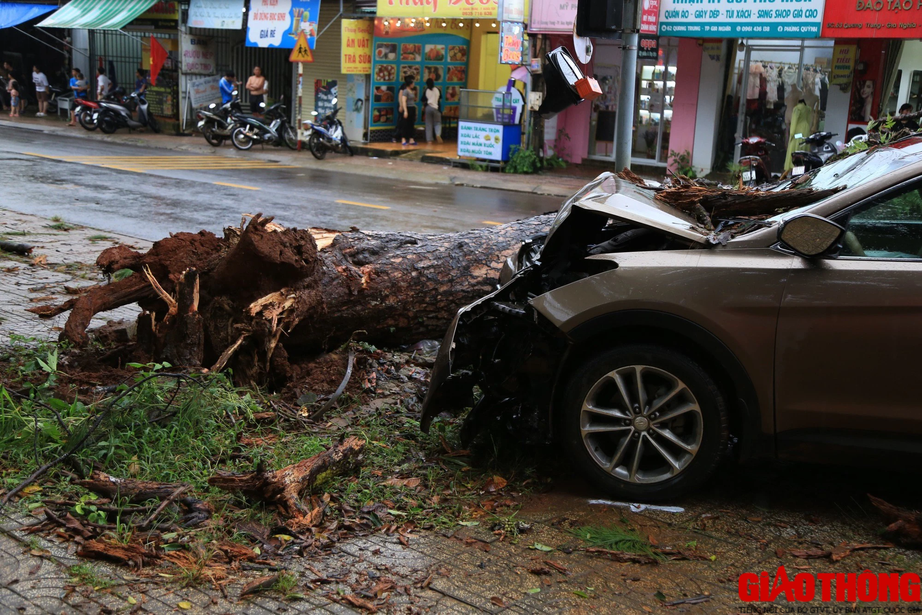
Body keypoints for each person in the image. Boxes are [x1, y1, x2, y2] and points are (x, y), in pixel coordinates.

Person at [398, 74, 418, 146]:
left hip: (412, 108)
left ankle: (411, 138)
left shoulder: (412, 91)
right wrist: (405, 111)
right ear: (409, 84)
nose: (413, 84)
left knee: (411, 124)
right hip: (407, 108)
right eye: (412, 83)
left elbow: (414, 99)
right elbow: (404, 101)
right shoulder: (405, 91)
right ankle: (403, 138)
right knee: (405, 124)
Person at [423, 78, 442, 144]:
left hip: (428, 107)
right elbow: (440, 98)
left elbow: (423, 99)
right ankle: (438, 134)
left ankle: (429, 140)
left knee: (429, 124)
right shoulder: (437, 89)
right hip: (436, 108)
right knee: (437, 123)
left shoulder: (426, 90)